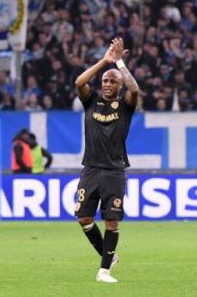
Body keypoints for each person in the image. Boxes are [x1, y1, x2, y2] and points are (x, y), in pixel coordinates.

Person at [73, 37, 139, 283]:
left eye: (113, 81)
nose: (108, 84)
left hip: (114, 172)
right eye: (105, 81)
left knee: (111, 222)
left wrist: (120, 62)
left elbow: (134, 89)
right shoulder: (91, 101)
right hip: (90, 169)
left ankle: (104, 271)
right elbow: (79, 81)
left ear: (119, 85)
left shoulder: (125, 106)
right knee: (84, 219)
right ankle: (108, 256)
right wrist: (104, 61)